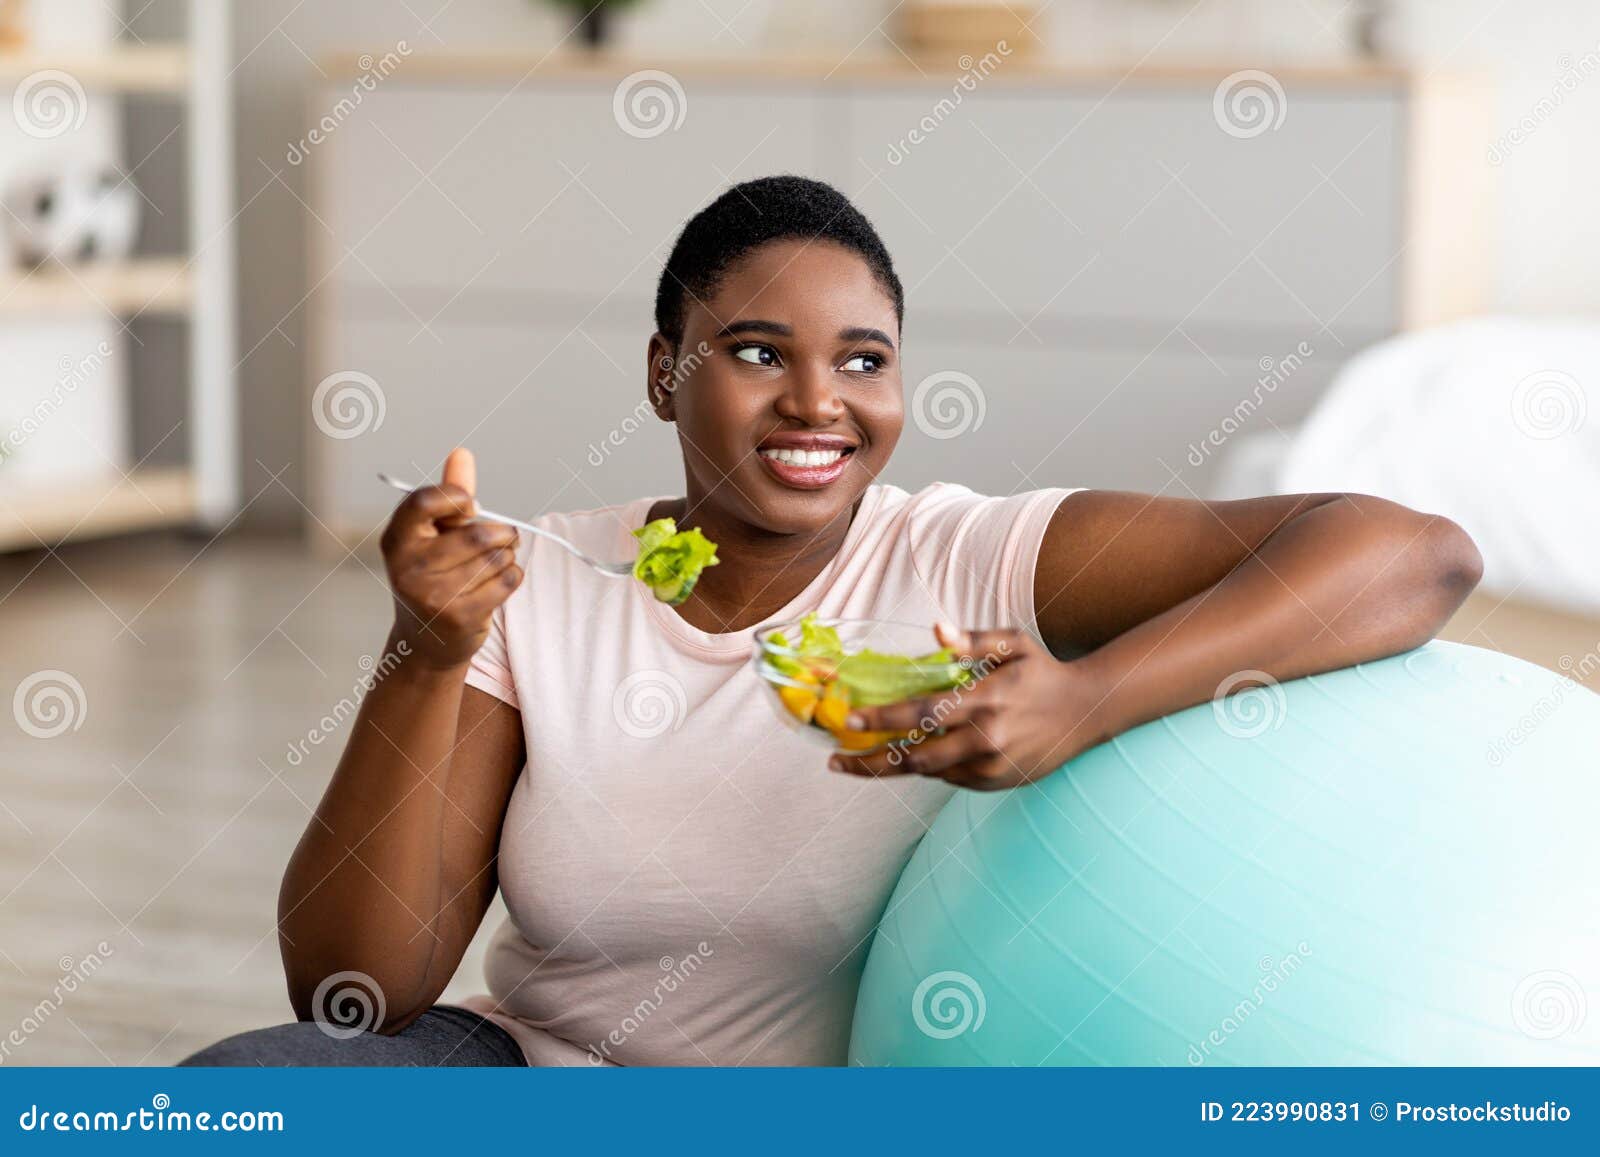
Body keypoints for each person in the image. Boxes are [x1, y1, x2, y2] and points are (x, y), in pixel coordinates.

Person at [184, 175, 1481, 1067]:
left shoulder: (976, 556)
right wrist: (427, 651)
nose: (820, 402)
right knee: (237, 1092)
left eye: (864, 360)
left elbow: (1414, 556)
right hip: (530, 1074)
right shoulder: (536, 579)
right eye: (757, 351)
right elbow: (357, 992)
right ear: (664, 371)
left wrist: (1085, 699)